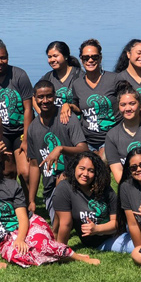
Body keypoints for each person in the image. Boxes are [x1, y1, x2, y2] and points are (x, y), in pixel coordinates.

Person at [0, 151, 99, 267]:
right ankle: (56, 257)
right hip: (5, 238)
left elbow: (23, 217)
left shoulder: (11, 186)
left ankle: (77, 257)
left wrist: (21, 239)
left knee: (39, 244)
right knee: (17, 256)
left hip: (29, 224)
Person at [25, 80, 87, 215]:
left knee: (63, 180)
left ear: (55, 97)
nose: (45, 101)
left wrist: (61, 149)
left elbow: (83, 149)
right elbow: (35, 166)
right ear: (34, 99)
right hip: (50, 188)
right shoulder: (33, 128)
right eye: (40, 97)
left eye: (49, 96)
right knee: (59, 218)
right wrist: (32, 200)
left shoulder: (67, 118)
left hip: (73, 181)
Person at [52, 151, 133, 253]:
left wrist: (97, 229)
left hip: (120, 229)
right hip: (105, 241)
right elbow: (65, 223)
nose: (85, 174)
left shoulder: (105, 189)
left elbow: (117, 223)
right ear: (74, 168)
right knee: (136, 247)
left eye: (91, 170)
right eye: (82, 168)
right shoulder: (65, 188)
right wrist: (61, 251)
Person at [0, 37, 34, 188]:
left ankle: (30, 206)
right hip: (1, 133)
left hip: (21, 131)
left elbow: (28, 108)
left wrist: (26, 139)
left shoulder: (19, 75)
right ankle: (13, 204)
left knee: (25, 172)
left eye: (3, 58)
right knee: (8, 172)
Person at [62, 39, 118, 158]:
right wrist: (69, 105)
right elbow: (78, 108)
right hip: (88, 139)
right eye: (86, 58)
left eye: (94, 57)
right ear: (81, 60)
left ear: (100, 58)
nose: (90, 60)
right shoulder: (77, 84)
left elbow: (130, 100)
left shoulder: (114, 79)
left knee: (102, 162)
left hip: (111, 138)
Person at [36, 41, 83, 108]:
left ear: (65, 56)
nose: (52, 60)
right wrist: (42, 115)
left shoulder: (79, 75)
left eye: (55, 56)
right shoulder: (48, 77)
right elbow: (34, 96)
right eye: (49, 57)